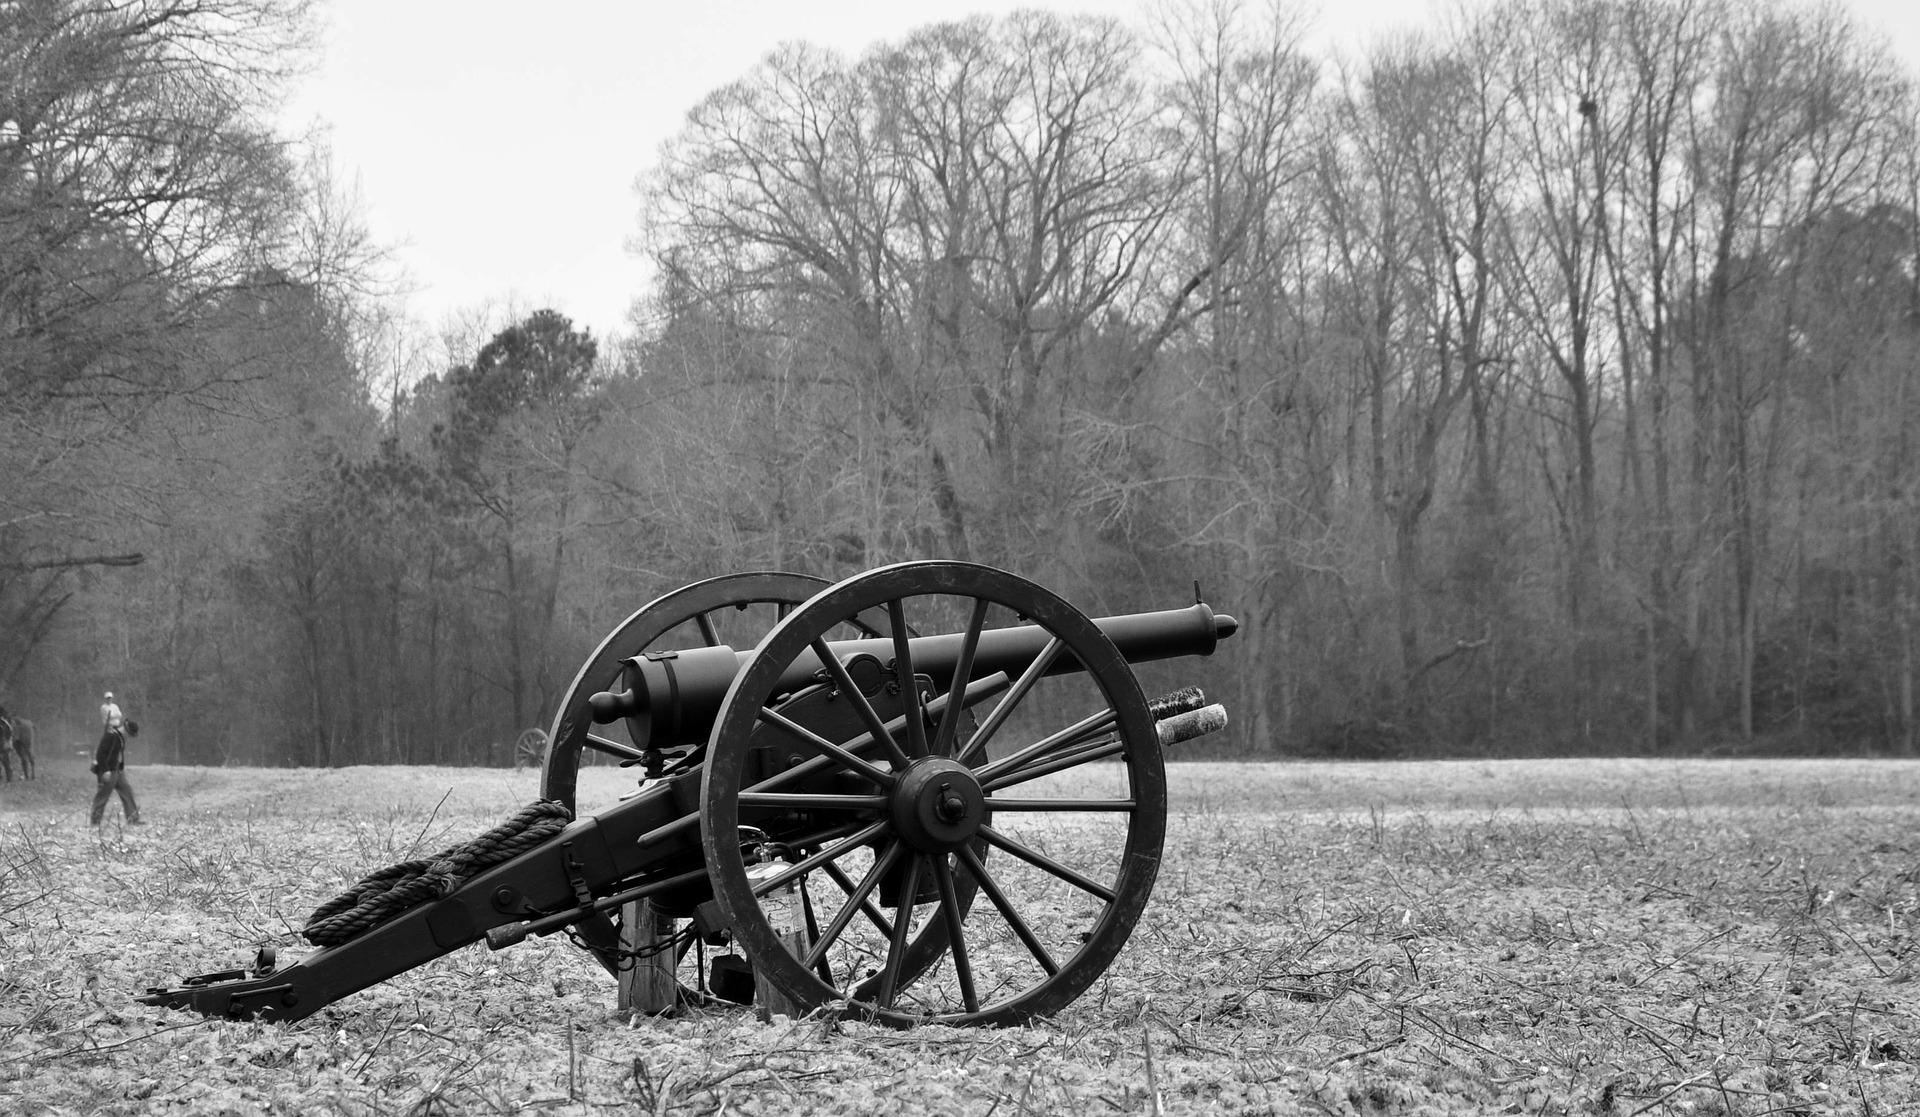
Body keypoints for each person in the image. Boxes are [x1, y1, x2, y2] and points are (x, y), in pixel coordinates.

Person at [92, 691, 142, 825]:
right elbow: (100, 754)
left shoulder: (120, 738)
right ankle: (95, 821)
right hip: (109, 771)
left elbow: (117, 755)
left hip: (117, 771)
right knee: (102, 796)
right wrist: (105, 770)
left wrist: (120, 767)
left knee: (127, 792)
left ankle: (133, 819)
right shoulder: (111, 736)